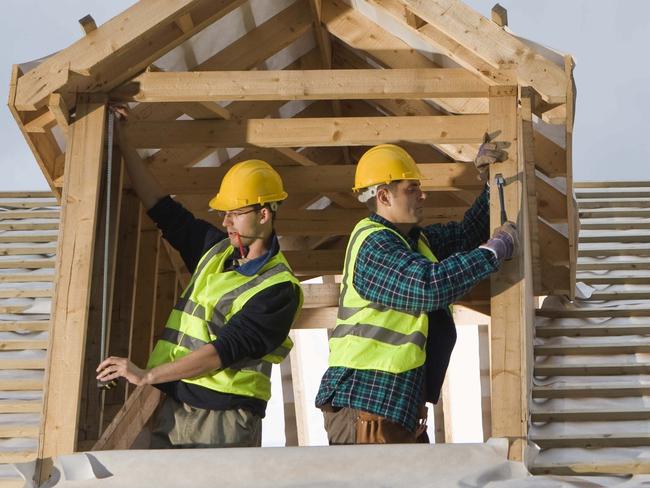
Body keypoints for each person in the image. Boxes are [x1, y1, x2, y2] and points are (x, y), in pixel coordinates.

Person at [96, 110, 303, 448]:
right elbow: (162, 207)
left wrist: (148, 375)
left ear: (263, 215)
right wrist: (122, 142)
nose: (226, 222)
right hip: (176, 401)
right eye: (225, 214)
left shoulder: (279, 290)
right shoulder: (215, 251)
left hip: (222, 417)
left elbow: (222, 352)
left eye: (235, 214)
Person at [315, 142, 518, 444]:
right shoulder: (374, 246)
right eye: (411, 189)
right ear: (384, 196)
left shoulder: (411, 241)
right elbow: (428, 286)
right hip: (366, 402)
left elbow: (464, 235)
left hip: (392, 407)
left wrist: (491, 184)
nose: (423, 195)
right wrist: (492, 253)